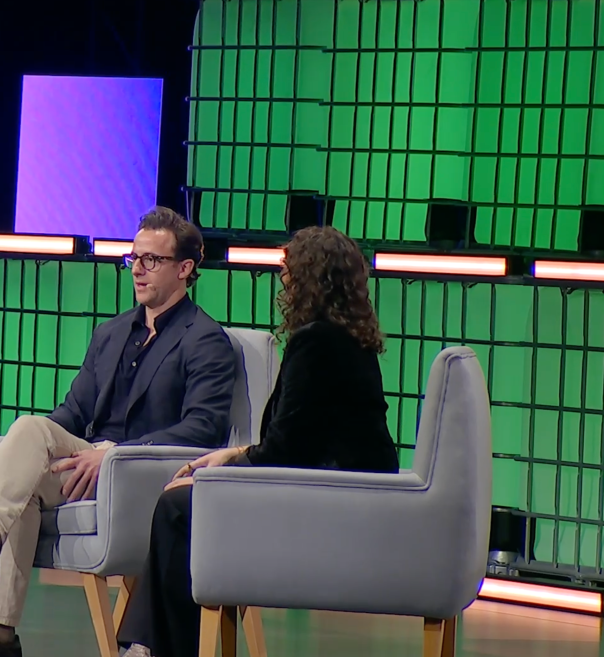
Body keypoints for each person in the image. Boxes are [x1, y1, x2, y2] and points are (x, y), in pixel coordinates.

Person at [0, 207, 239, 657]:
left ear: (185, 268)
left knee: (30, 435)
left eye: (151, 260)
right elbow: (74, 412)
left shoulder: (205, 340)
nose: (137, 269)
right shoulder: (112, 333)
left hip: (143, 476)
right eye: (133, 258)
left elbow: (203, 428)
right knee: (27, 460)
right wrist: (38, 451)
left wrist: (115, 453)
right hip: (86, 468)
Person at [116, 225, 401, 657]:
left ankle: (153, 647)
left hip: (331, 498)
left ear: (311, 278)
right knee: (187, 503)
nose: (282, 279)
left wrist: (223, 472)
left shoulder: (316, 343)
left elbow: (286, 451)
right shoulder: (347, 341)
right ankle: (149, 645)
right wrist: (232, 455)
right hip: (339, 488)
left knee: (178, 505)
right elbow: (299, 439)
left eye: (290, 269)